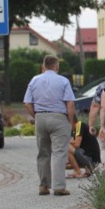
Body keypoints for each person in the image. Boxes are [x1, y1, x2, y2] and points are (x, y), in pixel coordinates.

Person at [23, 55, 76, 196]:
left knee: (43, 152)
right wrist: (69, 122)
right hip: (59, 117)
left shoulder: (34, 80)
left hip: (40, 117)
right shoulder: (63, 81)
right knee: (59, 153)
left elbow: (27, 103)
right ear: (57, 66)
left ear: (43, 67)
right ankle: (59, 186)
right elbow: (70, 103)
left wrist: (36, 116)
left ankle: (43, 186)